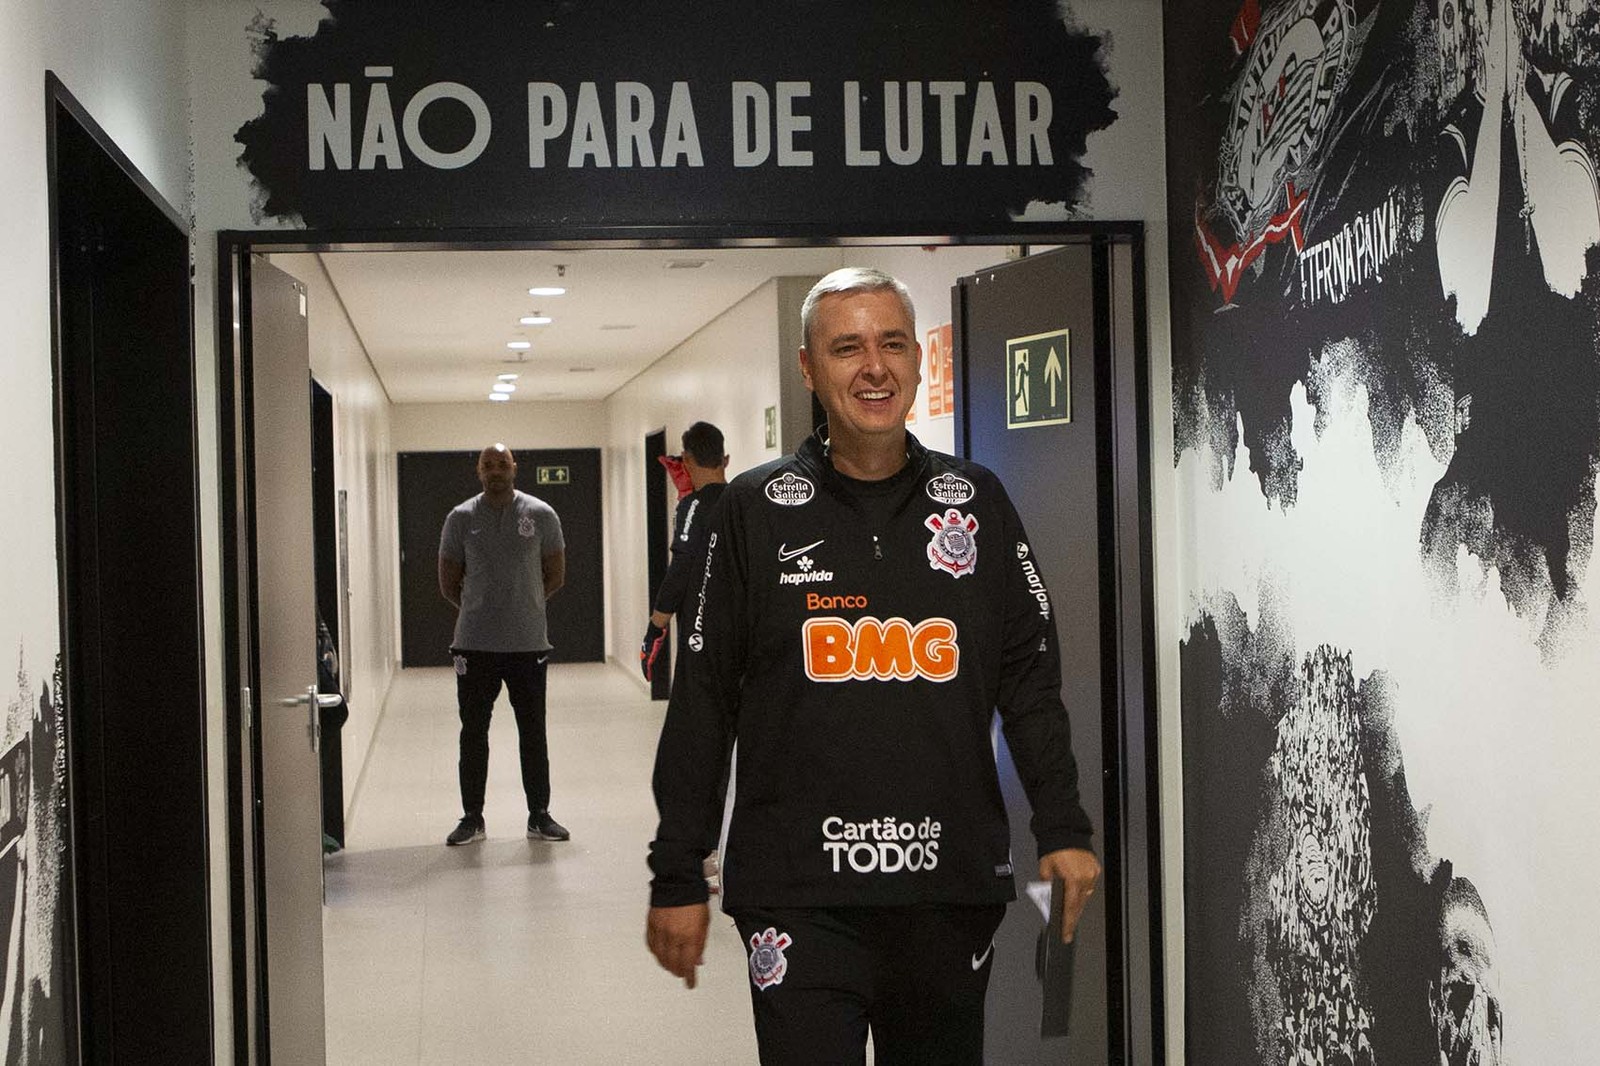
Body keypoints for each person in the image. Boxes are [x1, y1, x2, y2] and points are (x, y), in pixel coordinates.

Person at [645, 268, 1101, 1063]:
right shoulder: (752, 511)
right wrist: (677, 870)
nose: (875, 367)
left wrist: (1061, 823)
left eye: (893, 343)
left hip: (945, 886)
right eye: (847, 347)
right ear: (809, 368)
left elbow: (1027, 677)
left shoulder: (977, 501)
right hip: (799, 895)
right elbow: (706, 697)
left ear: (920, 362)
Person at [437, 443, 570, 846]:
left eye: (502, 464)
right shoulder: (460, 518)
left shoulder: (542, 514)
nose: (495, 470)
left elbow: (556, 575)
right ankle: (472, 818)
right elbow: (448, 582)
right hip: (473, 646)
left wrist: (522, 606)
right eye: (488, 465)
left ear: (514, 467)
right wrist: (483, 611)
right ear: (479, 471)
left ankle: (539, 815)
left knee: (533, 731)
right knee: (473, 732)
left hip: (528, 645)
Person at [640, 421, 729, 682]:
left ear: (686, 459)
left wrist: (655, 628)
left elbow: (682, 567)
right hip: (745, 629)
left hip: (702, 631)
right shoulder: (745, 499)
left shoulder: (692, 506)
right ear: (725, 459)